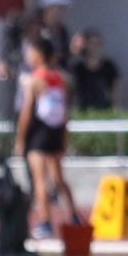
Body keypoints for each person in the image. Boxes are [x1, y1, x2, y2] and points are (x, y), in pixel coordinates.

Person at [14, 36, 80, 239]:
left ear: (39, 55)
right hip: (56, 132)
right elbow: (66, 112)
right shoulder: (61, 79)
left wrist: (20, 139)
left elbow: (26, 112)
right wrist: (64, 137)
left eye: (30, 53)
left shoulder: (35, 80)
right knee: (58, 178)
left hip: (39, 132)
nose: (28, 56)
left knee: (39, 179)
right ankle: (74, 216)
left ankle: (45, 221)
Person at [0, 0, 72, 98]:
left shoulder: (56, 36)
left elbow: (56, 64)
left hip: (41, 95)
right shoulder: (16, 42)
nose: (35, 28)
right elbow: (7, 67)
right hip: (19, 94)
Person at [68, 29, 120, 111]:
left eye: (97, 43)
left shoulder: (109, 67)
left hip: (105, 110)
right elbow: (74, 92)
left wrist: (116, 108)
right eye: (91, 43)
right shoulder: (78, 68)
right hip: (84, 110)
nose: (94, 46)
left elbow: (117, 88)